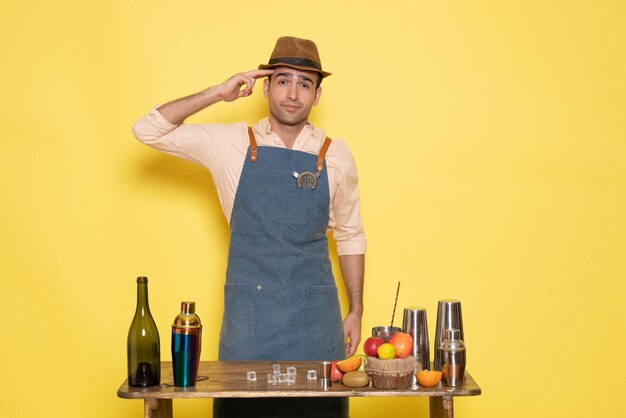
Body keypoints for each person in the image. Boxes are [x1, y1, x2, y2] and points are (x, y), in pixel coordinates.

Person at [132, 36, 366, 417]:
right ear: (266, 85)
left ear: (317, 95)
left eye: (305, 83)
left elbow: (350, 234)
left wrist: (356, 309)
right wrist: (217, 93)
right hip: (250, 324)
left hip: (316, 324)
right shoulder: (232, 144)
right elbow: (148, 129)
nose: (293, 93)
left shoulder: (335, 154)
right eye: (284, 80)